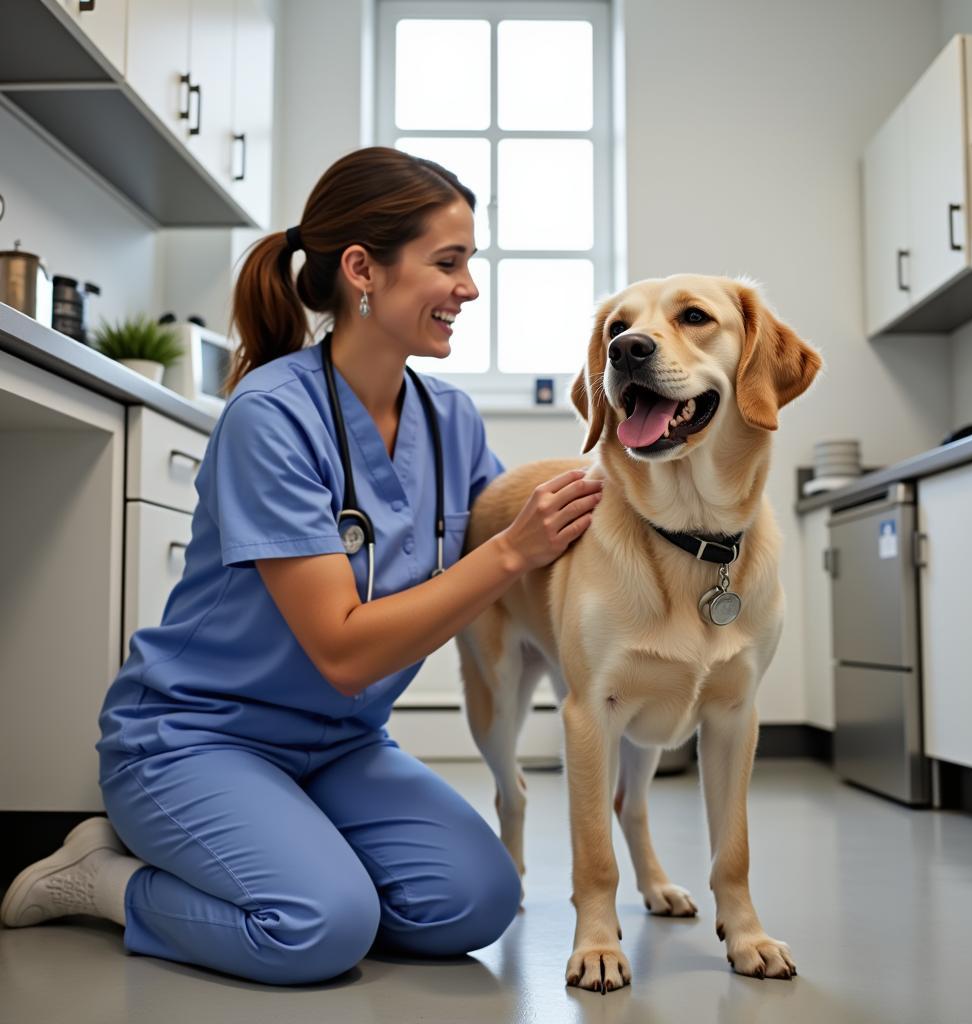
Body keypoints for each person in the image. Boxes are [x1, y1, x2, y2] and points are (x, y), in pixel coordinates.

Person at [0, 147, 604, 985]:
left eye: (472, 264)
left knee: (478, 901)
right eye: (449, 262)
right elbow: (346, 647)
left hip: (340, 747)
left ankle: (282, 842)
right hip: (196, 739)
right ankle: (111, 881)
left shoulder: (449, 420)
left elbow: (533, 535)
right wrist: (510, 551)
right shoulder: (271, 417)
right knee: (318, 928)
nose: (469, 288)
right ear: (363, 269)